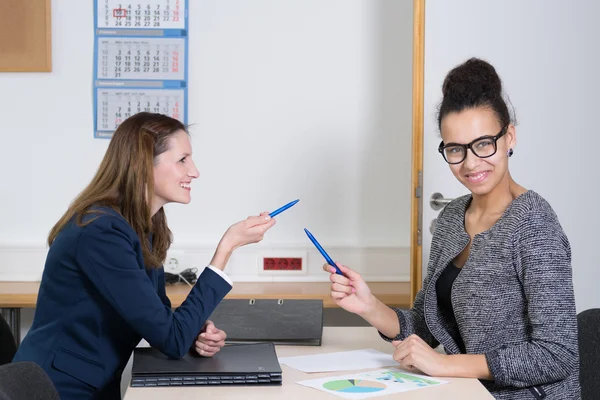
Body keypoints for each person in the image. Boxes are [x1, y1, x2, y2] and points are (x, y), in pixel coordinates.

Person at [324, 58, 580, 399]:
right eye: (456, 149)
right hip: (466, 391)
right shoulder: (452, 217)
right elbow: (428, 328)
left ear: (509, 138)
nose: (471, 163)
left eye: (484, 143)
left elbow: (556, 355)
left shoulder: (534, 225)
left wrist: (446, 365)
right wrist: (369, 306)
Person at [13, 113, 276, 399]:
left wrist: (194, 332)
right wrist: (226, 248)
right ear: (143, 164)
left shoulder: (140, 227)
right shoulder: (101, 232)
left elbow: (159, 321)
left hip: (92, 383)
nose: (195, 171)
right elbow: (170, 340)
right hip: (56, 389)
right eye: (182, 160)